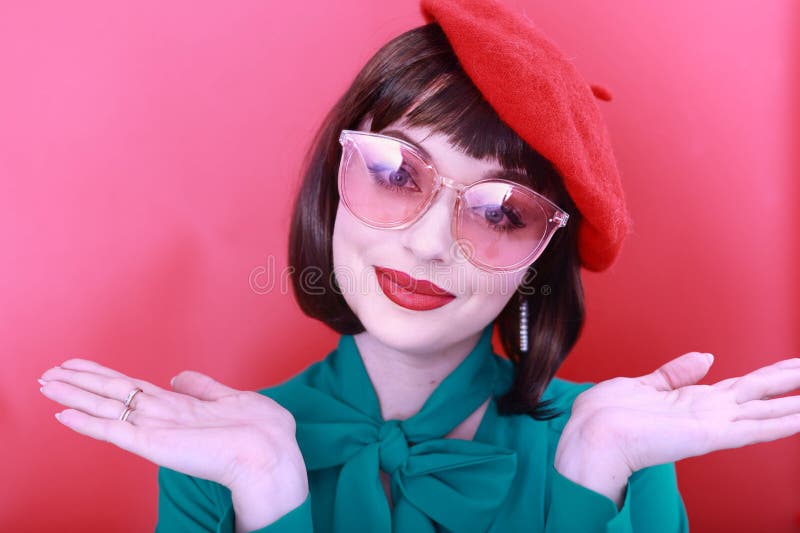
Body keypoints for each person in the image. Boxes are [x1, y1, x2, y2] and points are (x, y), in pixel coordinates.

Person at [37, 0, 800, 532]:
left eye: (502, 212)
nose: (433, 243)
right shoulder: (211, 452)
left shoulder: (629, 455)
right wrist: (265, 484)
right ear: (334, 179)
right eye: (397, 173)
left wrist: (589, 483)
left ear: (538, 259)